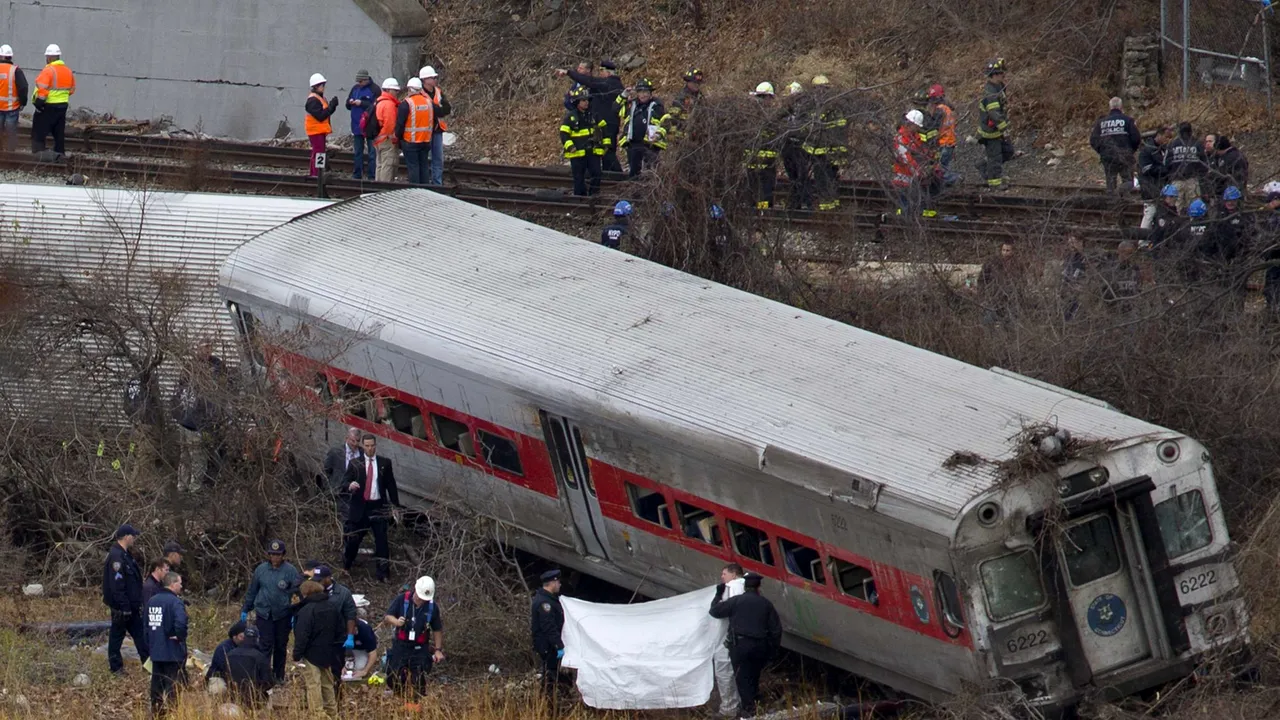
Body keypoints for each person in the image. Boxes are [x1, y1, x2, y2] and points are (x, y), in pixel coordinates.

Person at [708, 574, 782, 718]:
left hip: (740, 646)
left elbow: (715, 611)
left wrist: (718, 594)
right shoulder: (766, 604)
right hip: (760, 646)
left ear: (744, 587)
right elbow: (776, 630)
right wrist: (773, 650)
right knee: (754, 676)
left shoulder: (736, 601)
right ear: (758, 587)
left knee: (742, 678)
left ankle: (749, 711)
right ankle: (755, 705)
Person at [343, 433, 402, 581]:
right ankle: (346, 565)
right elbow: (344, 482)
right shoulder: (355, 463)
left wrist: (395, 506)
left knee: (382, 542)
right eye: (367, 446)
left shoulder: (384, 463)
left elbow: (391, 485)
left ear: (376, 446)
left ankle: (383, 574)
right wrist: (350, 485)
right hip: (360, 507)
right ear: (363, 446)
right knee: (353, 540)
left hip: (378, 507)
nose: (370, 449)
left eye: (372, 446)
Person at [240, 539, 300, 684]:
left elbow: (297, 594)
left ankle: (278, 676)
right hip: (264, 613)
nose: (275, 557)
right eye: (272, 554)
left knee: (280, 646)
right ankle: (264, 676)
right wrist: (246, 608)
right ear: (268, 555)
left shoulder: (290, 571)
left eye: (278, 554)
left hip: (283, 614)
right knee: (265, 645)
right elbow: (253, 590)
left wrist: (295, 613)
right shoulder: (261, 569)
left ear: (283, 555)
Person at [385, 575, 446, 710]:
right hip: (401, 645)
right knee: (393, 676)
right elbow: (388, 616)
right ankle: (401, 699)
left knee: (419, 676)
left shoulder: (432, 607)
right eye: (419, 596)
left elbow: (437, 629)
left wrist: (438, 649)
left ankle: (416, 704)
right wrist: (396, 622)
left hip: (420, 647)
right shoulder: (402, 600)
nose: (421, 600)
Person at [559, 60, 626, 173]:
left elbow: (590, 81)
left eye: (601, 71)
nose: (599, 73)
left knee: (607, 150)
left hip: (607, 123)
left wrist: (568, 72)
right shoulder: (610, 84)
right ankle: (608, 175)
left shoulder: (609, 83)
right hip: (607, 121)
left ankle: (617, 175)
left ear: (608, 73)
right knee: (605, 151)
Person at [293, 580, 343, 720]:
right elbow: (340, 630)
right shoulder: (332, 606)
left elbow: (302, 634)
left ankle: (317, 714)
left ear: (306, 593)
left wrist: (297, 654)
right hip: (329, 652)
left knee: (313, 684)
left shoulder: (307, 610)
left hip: (311, 653)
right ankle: (332, 713)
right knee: (327, 683)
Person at [103, 524, 148, 675]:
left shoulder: (125, 555)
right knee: (117, 637)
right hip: (123, 607)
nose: (134, 538)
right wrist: (124, 606)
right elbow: (117, 585)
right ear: (126, 536)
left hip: (132, 606)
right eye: (133, 536)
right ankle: (116, 668)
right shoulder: (117, 556)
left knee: (140, 635)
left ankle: (149, 665)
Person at [145, 572, 188, 717]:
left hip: (156, 651)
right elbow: (181, 623)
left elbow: (145, 626)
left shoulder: (152, 601)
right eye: (180, 583)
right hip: (172, 651)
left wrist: (150, 645)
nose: (181, 586)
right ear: (173, 584)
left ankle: (157, 712)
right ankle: (172, 714)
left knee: (156, 684)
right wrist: (180, 636)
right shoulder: (175, 602)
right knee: (172, 685)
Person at [804, 74, 849, 211]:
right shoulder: (835, 106)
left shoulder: (820, 108)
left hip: (822, 151)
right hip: (834, 151)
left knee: (823, 179)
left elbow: (813, 130)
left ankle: (826, 208)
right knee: (832, 178)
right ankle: (832, 204)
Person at [710, 564, 745, 718]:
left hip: (731, 637)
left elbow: (718, 611)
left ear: (734, 574)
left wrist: (717, 598)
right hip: (745, 637)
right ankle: (744, 705)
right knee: (743, 672)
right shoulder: (749, 588)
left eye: (724, 573)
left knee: (724, 670)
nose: (722, 577)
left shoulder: (732, 587)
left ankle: (729, 708)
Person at [1089, 97, 1141, 194]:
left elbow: (1093, 140)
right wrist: (1130, 150)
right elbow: (1136, 138)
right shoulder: (1128, 120)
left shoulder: (1101, 122)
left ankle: (1112, 203)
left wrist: (1102, 151)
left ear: (1110, 107)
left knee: (1111, 183)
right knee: (1128, 181)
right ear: (1121, 107)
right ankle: (1124, 200)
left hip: (1108, 157)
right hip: (1125, 155)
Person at [560, 87, 606, 196]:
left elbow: (605, 129)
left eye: (587, 100)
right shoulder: (571, 117)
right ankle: (580, 199)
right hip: (577, 153)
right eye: (583, 100)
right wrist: (570, 147)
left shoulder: (594, 115)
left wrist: (606, 144)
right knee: (579, 177)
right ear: (577, 102)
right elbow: (564, 134)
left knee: (597, 173)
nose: (586, 103)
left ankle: (594, 195)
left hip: (593, 151)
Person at [976, 58, 1013, 190]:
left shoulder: (999, 87)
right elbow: (994, 114)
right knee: (996, 157)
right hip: (991, 131)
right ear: (995, 74)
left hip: (997, 129)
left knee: (1008, 151)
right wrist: (1005, 130)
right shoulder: (990, 92)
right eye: (1002, 73)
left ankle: (985, 166)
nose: (1004, 75)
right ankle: (995, 183)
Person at [892, 110, 936, 218]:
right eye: (916, 126)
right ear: (910, 124)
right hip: (903, 177)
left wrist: (930, 157)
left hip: (912, 178)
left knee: (914, 204)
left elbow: (921, 151)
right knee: (905, 206)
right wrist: (918, 171)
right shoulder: (900, 138)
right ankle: (902, 223)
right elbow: (906, 159)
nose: (918, 128)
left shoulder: (914, 136)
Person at [31, 44, 73, 155]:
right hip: (63, 105)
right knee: (59, 132)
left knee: (39, 131)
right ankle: (60, 153)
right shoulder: (68, 71)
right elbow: (72, 89)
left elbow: (42, 88)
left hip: (49, 105)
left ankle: (38, 153)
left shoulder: (48, 70)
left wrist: (39, 104)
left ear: (49, 57)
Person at [531, 569, 566, 701]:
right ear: (553, 583)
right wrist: (559, 646)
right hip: (548, 646)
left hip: (548, 645)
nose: (560, 585)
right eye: (558, 582)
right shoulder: (545, 603)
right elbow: (549, 627)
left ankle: (550, 700)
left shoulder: (548, 599)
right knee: (550, 675)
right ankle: (548, 703)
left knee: (552, 674)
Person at [620, 79, 665, 178]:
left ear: (650, 93)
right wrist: (623, 96)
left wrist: (658, 135)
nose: (643, 95)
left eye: (645, 92)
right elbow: (615, 109)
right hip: (633, 144)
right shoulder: (632, 104)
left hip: (650, 145)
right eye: (640, 92)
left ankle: (648, 192)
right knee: (634, 172)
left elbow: (665, 123)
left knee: (650, 172)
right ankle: (634, 191)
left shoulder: (657, 106)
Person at [745, 82, 779, 210]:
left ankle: (757, 211)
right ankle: (762, 212)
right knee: (764, 188)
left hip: (754, 159)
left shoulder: (749, 114)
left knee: (756, 186)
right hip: (765, 160)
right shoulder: (772, 115)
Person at [418, 66, 452, 186]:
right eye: (433, 78)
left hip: (437, 130)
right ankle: (425, 183)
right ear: (425, 80)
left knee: (437, 159)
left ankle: (437, 183)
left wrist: (436, 109)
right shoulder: (419, 93)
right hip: (424, 131)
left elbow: (447, 109)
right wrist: (437, 109)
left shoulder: (438, 91)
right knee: (423, 158)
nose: (435, 80)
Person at [396, 77, 433, 186]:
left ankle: (415, 190)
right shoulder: (428, 102)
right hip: (425, 140)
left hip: (410, 141)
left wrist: (398, 138)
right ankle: (426, 190)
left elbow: (400, 124)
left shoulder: (406, 104)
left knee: (413, 167)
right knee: (424, 166)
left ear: (410, 89)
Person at [224, 626, 274, 706]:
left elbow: (226, 676)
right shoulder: (260, 657)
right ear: (257, 639)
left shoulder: (230, 655)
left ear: (244, 638)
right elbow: (268, 682)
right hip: (255, 700)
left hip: (234, 698)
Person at [1164, 121, 1207, 213]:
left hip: (1176, 179)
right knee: (1195, 206)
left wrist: (1170, 174)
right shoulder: (1197, 143)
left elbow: (1166, 163)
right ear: (1191, 131)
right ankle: (1194, 224)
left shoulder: (1172, 144)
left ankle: (1176, 224)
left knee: (1175, 206)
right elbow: (1204, 162)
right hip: (1192, 180)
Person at [978, 242, 1025, 324]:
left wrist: (1018, 294)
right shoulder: (992, 263)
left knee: (1011, 321)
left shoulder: (1017, 264)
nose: (1005, 253)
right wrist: (983, 294)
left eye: (1008, 250)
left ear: (1012, 252)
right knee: (989, 319)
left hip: (1011, 298)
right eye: (1003, 250)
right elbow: (982, 279)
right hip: (993, 296)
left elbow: (1022, 281)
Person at [1137, 125, 1174, 229]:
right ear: (1159, 135)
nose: (1168, 140)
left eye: (1169, 138)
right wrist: (1163, 170)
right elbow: (1146, 169)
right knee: (1150, 213)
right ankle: (1143, 241)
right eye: (1166, 137)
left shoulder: (1165, 150)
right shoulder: (1147, 150)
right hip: (1149, 186)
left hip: (1161, 186)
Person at [323, 427, 363, 521]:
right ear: (347, 439)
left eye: (357, 441)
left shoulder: (362, 454)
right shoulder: (336, 452)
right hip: (339, 493)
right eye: (352, 441)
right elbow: (326, 471)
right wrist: (331, 488)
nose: (355, 444)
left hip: (355, 495)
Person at [304, 73, 339, 178]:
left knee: (317, 152)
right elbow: (321, 116)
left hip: (318, 130)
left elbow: (325, 113)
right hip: (315, 130)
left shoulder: (319, 98)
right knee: (319, 152)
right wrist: (331, 107)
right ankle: (316, 174)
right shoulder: (313, 100)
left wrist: (332, 107)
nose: (323, 87)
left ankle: (315, 173)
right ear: (316, 86)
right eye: (322, 85)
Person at [345, 69, 378, 180]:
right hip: (357, 125)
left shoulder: (375, 89)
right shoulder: (355, 89)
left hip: (370, 126)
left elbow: (376, 106)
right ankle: (357, 174)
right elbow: (347, 105)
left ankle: (371, 176)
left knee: (372, 153)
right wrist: (350, 102)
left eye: (360, 81)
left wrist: (362, 103)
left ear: (366, 79)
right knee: (358, 152)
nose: (359, 84)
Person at [372, 78, 401, 182]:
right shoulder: (389, 104)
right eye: (395, 90)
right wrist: (393, 137)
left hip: (378, 139)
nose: (397, 92)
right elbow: (390, 124)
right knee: (388, 165)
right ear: (388, 90)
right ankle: (384, 189)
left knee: (380, 165)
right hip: (387, 139)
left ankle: (378, 188)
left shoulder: (379, 101)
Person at [343, 595, 379, 681]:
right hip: (343, 648)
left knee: (359, 668)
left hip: (361, 650)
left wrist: (365, 671)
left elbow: (373, 653)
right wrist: (340, 666)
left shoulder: (365, 630)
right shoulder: (340, 628)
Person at [0, 45, 29, 151]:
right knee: (11, 132)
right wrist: (23, 102)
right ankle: (10, 153)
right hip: (11, 108)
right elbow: (23, 87)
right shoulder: (16, 71)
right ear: (10, 57)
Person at [1208, 136, 1248, 210]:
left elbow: (1221, 176)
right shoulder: (1239, 154)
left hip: (1230, 192)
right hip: (1240, 189)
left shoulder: (1228, 158)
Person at [1100, 240, 1143, 308]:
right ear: (1119, 252)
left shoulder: (1135, 269)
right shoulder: (1110, 270)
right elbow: (1105, 292)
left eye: (1131, 253)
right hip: (1115, 308)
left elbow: (1138, 288)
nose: (1128, 256)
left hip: (1132, 309)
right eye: (1126, 253)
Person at [929, 84, 957, 182]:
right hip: (950, 142)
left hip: (943, 143)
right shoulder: (948, 109)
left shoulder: (939, 110)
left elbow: (935, 128)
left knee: (941, 171)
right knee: (943, 168)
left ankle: (954, 180)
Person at [207, 620, 248, 684]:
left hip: (237, 679)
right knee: (219, 689)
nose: (244, 640)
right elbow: (225, 668)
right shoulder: (223, 648)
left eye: (246, 637)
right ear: (234, 636)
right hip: (218, 676)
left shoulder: (244, 647)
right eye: (241, 637)